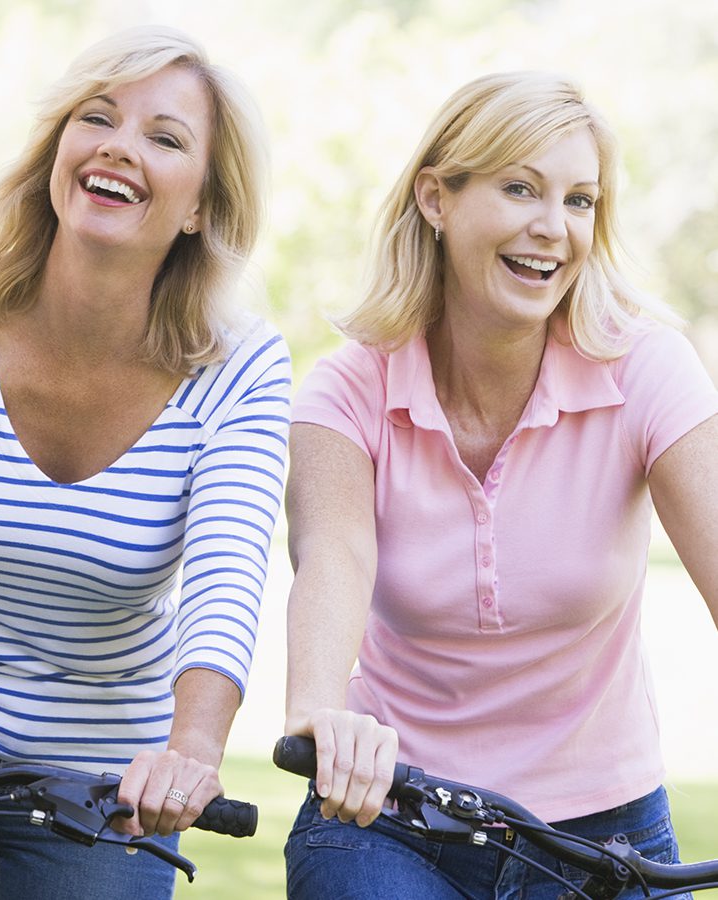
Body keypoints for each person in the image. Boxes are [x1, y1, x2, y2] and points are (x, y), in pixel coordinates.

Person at [0, 25, 290, 899]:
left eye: (165, 136)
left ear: (199, 208)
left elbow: (227, 576)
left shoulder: (241, 369)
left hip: (102, 758)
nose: (119, 147)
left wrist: (191, 750)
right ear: (57, 152)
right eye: (97, 118)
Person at [282, 70, 718, 899]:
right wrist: (318, 711)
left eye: (580, 200)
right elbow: (332, 556)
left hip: (605, 832)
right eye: (521, 188)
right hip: (393, 817)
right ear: (437, 199)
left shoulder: (647, 369)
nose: (553, 228)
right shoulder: (348, 393)